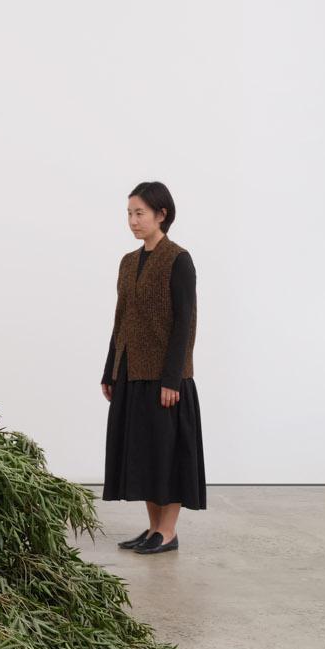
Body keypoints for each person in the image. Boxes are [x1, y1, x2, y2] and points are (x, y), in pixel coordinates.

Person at [100, 181, 205, 554]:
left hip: (165, 376)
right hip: (131, 370)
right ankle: (152, 529)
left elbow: (185, 323)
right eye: (129, 213)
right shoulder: (128, 262)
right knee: (144, 453)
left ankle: (169, 532)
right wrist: (110, 369)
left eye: (139, 213)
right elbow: (121, 319)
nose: (132, 220)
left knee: (168, 453)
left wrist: (172, 377)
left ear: (162, 214)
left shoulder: (179, 259)